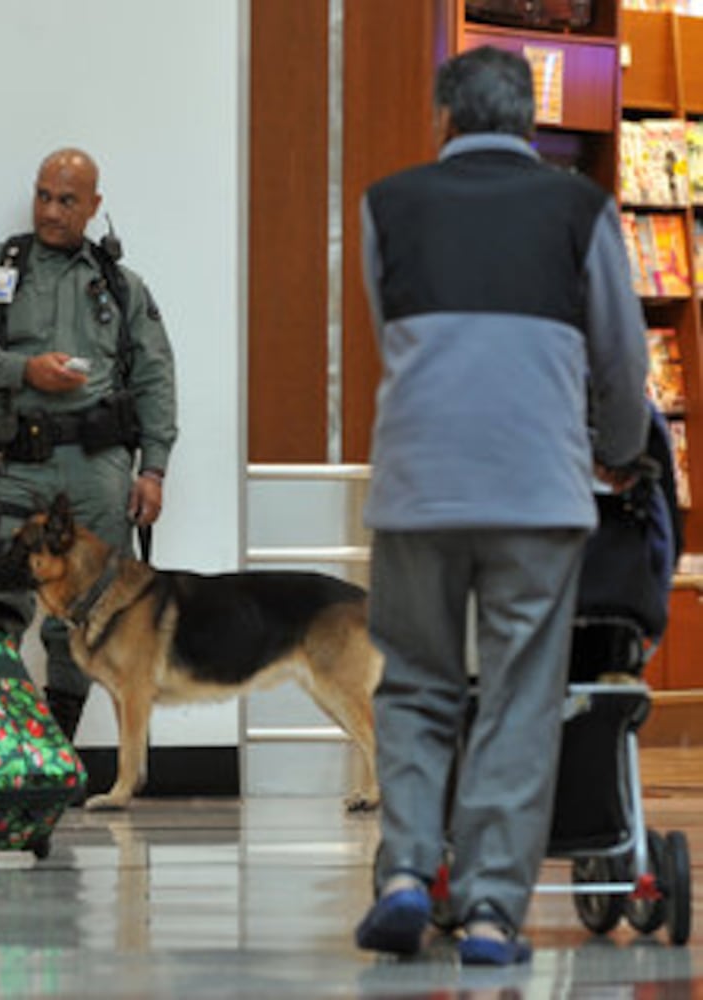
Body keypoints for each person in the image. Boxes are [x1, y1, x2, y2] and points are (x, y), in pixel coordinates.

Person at [353, 47, 649, 965]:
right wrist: (622, 453)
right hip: (536, 493)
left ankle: (405, 874)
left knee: (415, 686)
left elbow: (385, 332)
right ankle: (488, 915)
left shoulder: (386, 204)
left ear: (445, 117)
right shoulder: (581, 208)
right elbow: (621, 356)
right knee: (522, 700)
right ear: (529, 123)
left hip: (415, 489)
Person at [0, 148, 177, 744]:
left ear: (94, 205)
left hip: (98, 471)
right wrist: (22, 371)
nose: (52, 210)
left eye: (68, 200)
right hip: (15, 465)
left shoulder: (119, 286)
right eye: (44, 195)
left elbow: (154, 377)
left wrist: (155, 469)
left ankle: (55, 746)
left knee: (88, 617)